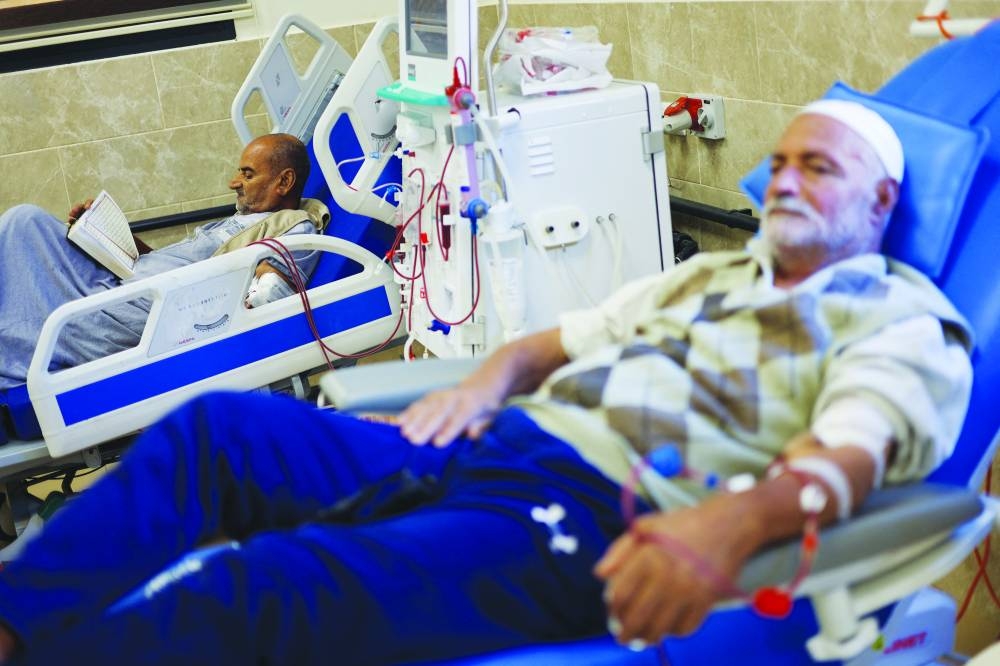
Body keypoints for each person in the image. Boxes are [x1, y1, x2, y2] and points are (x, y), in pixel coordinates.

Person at [0, 100, 973, 665]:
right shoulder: (712, 274)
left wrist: (736, 521)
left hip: (595, 513)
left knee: (261, 587)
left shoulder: (892, 315)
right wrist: (487, 378)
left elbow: (851, 449)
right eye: (782, 162)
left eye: (822, 167)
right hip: (488, 445)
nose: (789, 180)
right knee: (220, 435)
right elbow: (554, 341)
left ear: (883, 200)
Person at [0, 133, 329, 390]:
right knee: (24, 222)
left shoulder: (294, 228)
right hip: (129, 276)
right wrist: (113, 239)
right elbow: (168, 261)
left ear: (284, 182)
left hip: (151, 309)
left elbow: (266, 298)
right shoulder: (241, 220)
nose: (234, 182)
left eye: (247, 174)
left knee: (30, 318)